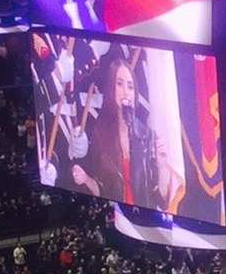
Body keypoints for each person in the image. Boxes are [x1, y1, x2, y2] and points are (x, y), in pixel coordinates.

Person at [71, 59, 182, 209]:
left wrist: (162, 168)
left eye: (130, 87)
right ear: (111, 88)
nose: (126, 92)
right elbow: (102, 189)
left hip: (143, 222)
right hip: (118, 216)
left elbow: (161, 199)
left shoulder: (147, 137)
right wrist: (86, 179)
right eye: (119, 84)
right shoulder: (100, 133)